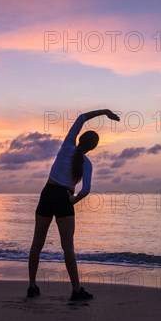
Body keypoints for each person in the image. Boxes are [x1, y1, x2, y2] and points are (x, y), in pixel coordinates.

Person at [28, 109, 120, 301]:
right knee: (67, 247)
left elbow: (81, 118)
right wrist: (72, 200)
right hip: (64, 198)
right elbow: (86, 190)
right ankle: (76, 290)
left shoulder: (66, 146)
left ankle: (32, 286)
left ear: (79, 139)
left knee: (37, 244)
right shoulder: (86, 163)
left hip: (47, 193)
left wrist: (105, 112)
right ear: (92, 148)